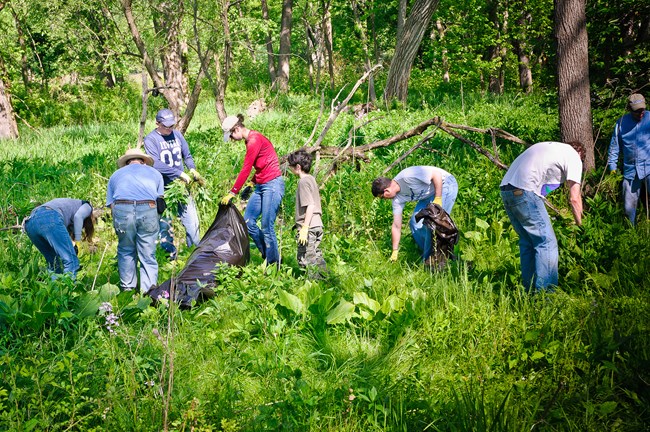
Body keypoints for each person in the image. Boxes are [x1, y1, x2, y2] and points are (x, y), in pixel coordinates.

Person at [500, 141, 584, 293]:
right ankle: (547, 296)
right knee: (546, 243)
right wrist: (581, 225)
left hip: (506, 190)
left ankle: (530, 293)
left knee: (528, 242)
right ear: (580, 154)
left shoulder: (552, 149)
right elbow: (575, 198)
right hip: (524, 190)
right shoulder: (574, 156)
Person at [220, 114, 285, 266]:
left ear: (236, 129)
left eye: (230, 136)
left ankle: (274, 265)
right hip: (261, 184)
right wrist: (251, 184)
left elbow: (246, 168)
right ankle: (267, 255)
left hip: (272, 185)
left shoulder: (254, 141)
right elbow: (262, 164)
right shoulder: (249, 140)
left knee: (267, 226)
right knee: (248, 222)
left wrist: (233, 192)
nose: (231, 139)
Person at [144, 108, 204, 258]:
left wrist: (192, 169)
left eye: (172, 125)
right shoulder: (150, 140)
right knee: (164, 225)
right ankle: (169, 257)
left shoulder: (177, 135)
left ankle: (194, 255)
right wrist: (179, 173)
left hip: (181, 187)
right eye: (167, 126)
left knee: (192, 223)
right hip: (162, 190)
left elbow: (187, 155)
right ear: (157, 123)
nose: (170, 129)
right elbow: (155, 163)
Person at [106, 148, 165, 294]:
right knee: (148, 252)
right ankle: (149, 292)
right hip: (148, 208)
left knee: (126, 249)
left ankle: (127, 289)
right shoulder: (155, 173)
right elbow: (160, 202)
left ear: (126, 163)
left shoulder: (115, 175)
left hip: (122, 208)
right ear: (144, 161)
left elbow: (112, 205)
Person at [371, 166, 458, 264]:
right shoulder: (397, 200)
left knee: (434, 223)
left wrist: (438, 198)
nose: (384, 199)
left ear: (387, 191)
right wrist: (395, 250)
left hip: (445, 184)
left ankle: (434, 259)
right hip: (428, 194)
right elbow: (396, 225)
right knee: (415, 223)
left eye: (382, 197)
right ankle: (432, 253)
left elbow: (436, 174)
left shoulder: (407, 177)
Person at [24, 198, 95, 279]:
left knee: (54, 264)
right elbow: (78, 217)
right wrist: (78, 241)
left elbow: (61, 238)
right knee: (71, 261)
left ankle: (55, 290)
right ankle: (68, 289)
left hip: (31, 223)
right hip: (49, 217)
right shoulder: (87, 206)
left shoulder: (67, 212)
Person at [607, 93, 650, 225]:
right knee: (628, 207)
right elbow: (614, 147)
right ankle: (630, 233)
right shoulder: (621, 123)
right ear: (629, 109)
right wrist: (612, 168)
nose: (640, 113)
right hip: (630, 171)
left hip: (649, 168)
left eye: (642, 109)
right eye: (637, 111)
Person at [287, 150, 327, 277]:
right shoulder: (312, 179)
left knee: (306, 258)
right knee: (316, 255)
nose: (290, 168)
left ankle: (313, 286)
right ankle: (325, 281)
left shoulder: (303, 182)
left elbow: (310, 205)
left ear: (298, 167)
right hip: (318, 224)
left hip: (309, 227)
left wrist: (304, 227)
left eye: (291, 166)